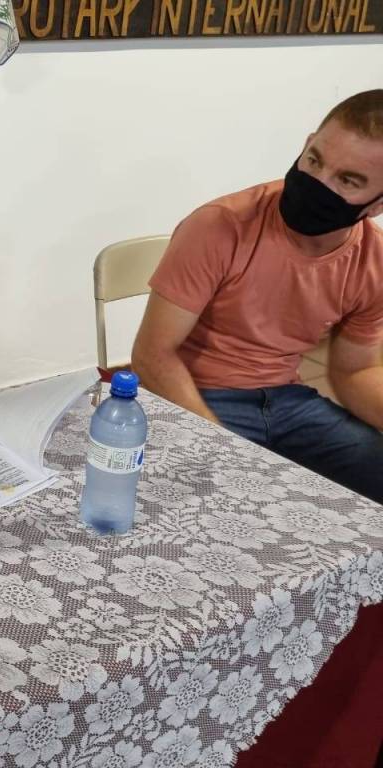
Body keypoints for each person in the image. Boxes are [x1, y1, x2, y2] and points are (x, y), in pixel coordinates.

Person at [133, 90, 383, 503]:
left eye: (347, 180)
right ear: (307, 144)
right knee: (215, 498)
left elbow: (355, 372)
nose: (317, 183)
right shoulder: (219, 226)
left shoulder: (373, 261)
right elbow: (153, 356)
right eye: (314, 160)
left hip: (290, 401)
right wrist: (221, 446)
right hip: (201, 394)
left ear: (377, 205)